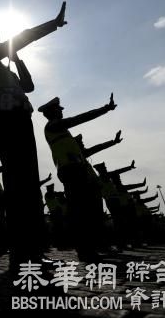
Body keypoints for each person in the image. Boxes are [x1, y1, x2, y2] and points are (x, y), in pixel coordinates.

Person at [0, 2, 67, 270]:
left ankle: (33, 250)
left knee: (28, 185)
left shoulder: (4, 69)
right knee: (18, 186)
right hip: (7, 120)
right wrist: (51, 25)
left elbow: (29, 86)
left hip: (22, 120)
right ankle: (21, 253)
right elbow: (18, 40)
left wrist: (18, 59)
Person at [38, 94, 117, 261]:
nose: (61, 112)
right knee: (81, 211)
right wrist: (105, 109)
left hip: (77, 171)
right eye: (59, 110)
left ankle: (90, 248)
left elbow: (88, 151)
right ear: (52, 112)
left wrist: (112, 142)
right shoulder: (53, 126)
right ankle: (85, 250)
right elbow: (80, 118)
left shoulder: (62, 131)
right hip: (71, 171)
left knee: (87, 210)